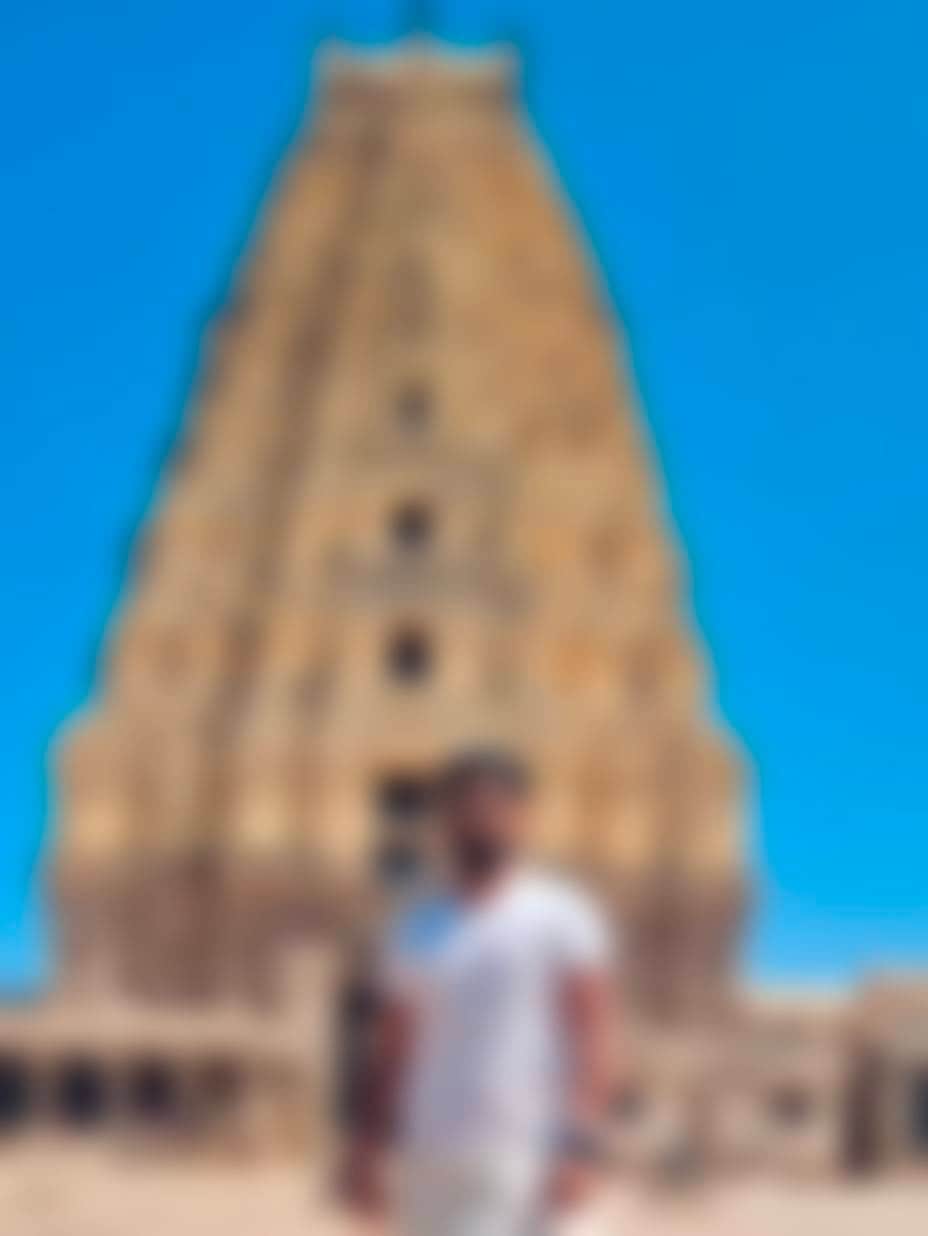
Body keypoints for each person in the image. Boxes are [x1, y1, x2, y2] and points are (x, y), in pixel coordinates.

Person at [341, 748, 616, 1235]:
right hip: (432, 1156)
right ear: (445, 822)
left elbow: (592, 1035)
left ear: (522, 818)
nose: (479, 821)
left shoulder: (562, 917)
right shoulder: (416, 928)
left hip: (530, 1156)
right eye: (465, 808)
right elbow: (393, 1047)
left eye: (493, 808)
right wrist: (366, 1145)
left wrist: (578, 1143)